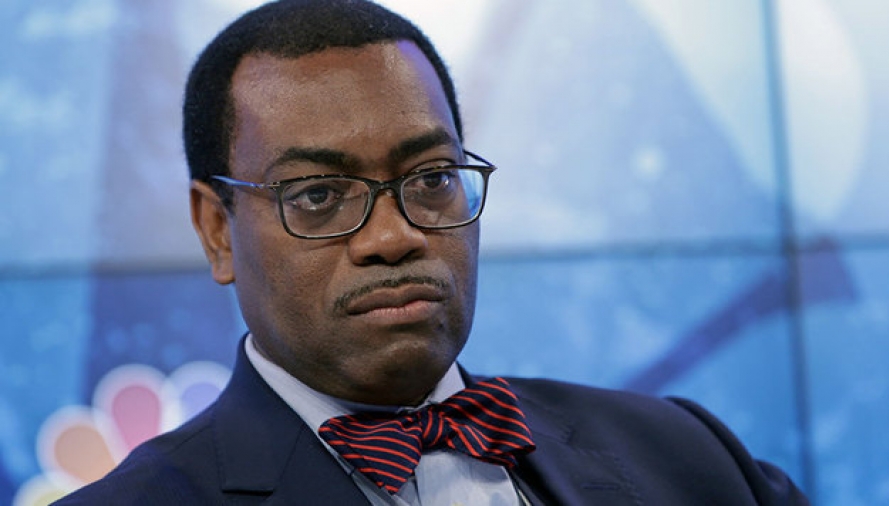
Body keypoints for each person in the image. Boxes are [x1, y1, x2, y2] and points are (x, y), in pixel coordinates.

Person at [55, 0, 810, 504]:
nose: (394, 237)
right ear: (217, 230)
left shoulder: (692, 459)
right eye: (318, 195)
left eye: (432, 179)